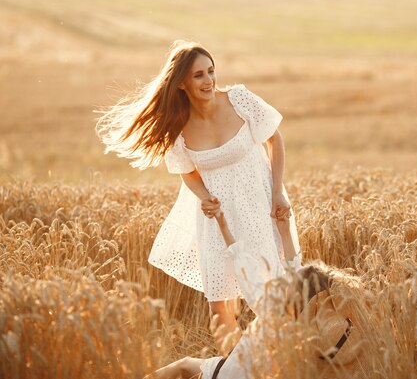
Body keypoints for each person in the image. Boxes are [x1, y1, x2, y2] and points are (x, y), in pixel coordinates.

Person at [96, 40, 301, 350]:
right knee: (220, 307)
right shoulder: (178, 126)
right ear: (181, 84)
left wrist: (277, 194)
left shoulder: (240, 100)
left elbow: (275, 140)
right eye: (199, 76)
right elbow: (185, 170)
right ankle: (235, 369)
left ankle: (287, 359)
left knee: (277, 292)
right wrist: (204, 195)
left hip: (261, 205)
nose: (209, 81)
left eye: (211, 72)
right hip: (217, 220)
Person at [145, 210, 362, 379]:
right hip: (253, 372)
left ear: (295, 293)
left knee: (183, 365)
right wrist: (284, 231)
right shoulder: (309, 325)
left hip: (231, 373)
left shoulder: (271, 310)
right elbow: (293, 266)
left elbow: (242, 263)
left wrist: (223, 225)